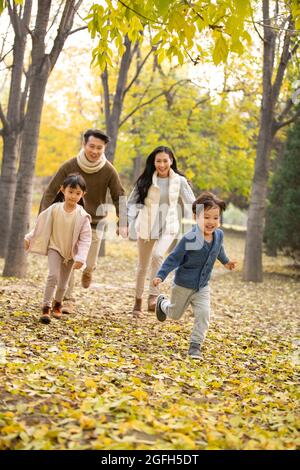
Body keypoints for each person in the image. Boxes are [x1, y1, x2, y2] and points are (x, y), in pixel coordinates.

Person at [39, 129, 126, 314]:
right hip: (68, 220)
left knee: (89, 262)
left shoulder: (109, 170)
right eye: (91, 146)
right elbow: (50, 191)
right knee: (67, 260)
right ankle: (67, 300)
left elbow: (120, 195)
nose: (95, 151)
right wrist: (43, 218)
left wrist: (123, 221)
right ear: (84, 145)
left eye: (99, 148)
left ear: (104, 149)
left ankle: (88, 271)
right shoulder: (69, 165)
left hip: (94, 222)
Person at [153, 191, 237, 359]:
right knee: (175, 315)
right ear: (195, 217)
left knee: (204, 314)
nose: (211, 222)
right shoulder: (189, 238)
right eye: (206, 217)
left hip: (202, 286)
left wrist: (226, 262)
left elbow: (218, 250)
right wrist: (161, 275)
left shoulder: (219, 235)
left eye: (215, 217)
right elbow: (173, 258)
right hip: (183, 285)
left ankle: (195, 346)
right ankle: (162, 304)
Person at [127, 146, 195, 317]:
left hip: (169, 226)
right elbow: (131, 203)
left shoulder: (179, 181)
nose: (162, 164)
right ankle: (137, 301)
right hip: (146, 226)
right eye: (159, 161)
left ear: (171, 161)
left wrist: (202, 216)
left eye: (166, 160)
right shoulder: (146, 180)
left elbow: (191, 201)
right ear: (154, 162)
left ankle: (153, 296)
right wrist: (127, 222)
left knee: (158, 256)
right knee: (142, 266)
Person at [24, 174, 92, 324]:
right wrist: (29, 237)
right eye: (70, 191)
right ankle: (46, 307)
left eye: (77, 193)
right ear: (62, 190)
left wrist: (81, 258)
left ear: (83, 194)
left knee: (63, 284)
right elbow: (40, 225)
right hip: (55, 248)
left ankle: (58, 304)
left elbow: (86, 239)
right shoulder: (54, 209)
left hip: (70, 254)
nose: (73, 196)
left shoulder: (82, 216)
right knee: (53, 276)